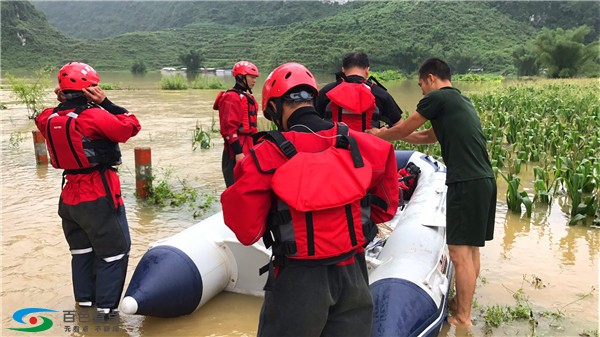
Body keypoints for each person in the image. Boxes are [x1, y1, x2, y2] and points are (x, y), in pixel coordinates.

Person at [221, 62, 399, 337]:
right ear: (313, 100)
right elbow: (385, 209)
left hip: (297, 281)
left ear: (274, 109)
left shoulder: (263, 156)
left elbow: (246, 230)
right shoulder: (363, 145)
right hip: (353, 274)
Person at [366, 58, 496, 327]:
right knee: (471, 251)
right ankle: (464, 308)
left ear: (431, 78)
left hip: (465, 181)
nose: (422, 91)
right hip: (483, 180)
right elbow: (427, 137)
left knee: (459, 253)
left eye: (421, 85)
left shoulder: (437, 98)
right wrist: (394, 135)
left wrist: (377, 135)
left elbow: (404, 127)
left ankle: (463, 317)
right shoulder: (459, 101)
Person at [35, 62, 141, 315]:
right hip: (98, 194)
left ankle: (84, 307)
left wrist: (62, 100)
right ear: (89, 88)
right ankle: (105, 316)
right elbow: (130, 126)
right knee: (115, 253)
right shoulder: (94, 116)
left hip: (69, 195)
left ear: (61, 91)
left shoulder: (47, 117)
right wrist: (107, 103)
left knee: (81, 252)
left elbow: (46, 116)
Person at [315, 51, 403, 132]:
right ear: (367, 70)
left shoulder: (327, 91)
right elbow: (400, 127)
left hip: (333, 148)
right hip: (367, 148)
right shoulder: (380, 94)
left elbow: (308, 119)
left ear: (343, 69)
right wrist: (384, 130)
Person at [213, 60, 260, 187]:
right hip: (236, 149)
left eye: (255, 78)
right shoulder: (231, 97)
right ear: (240, 77)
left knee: (250, 185)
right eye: (251, 77)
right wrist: (238, 152)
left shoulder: (246, 97)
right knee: (235, 187)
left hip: (249, 146)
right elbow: (228, 128)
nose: (254, 81)